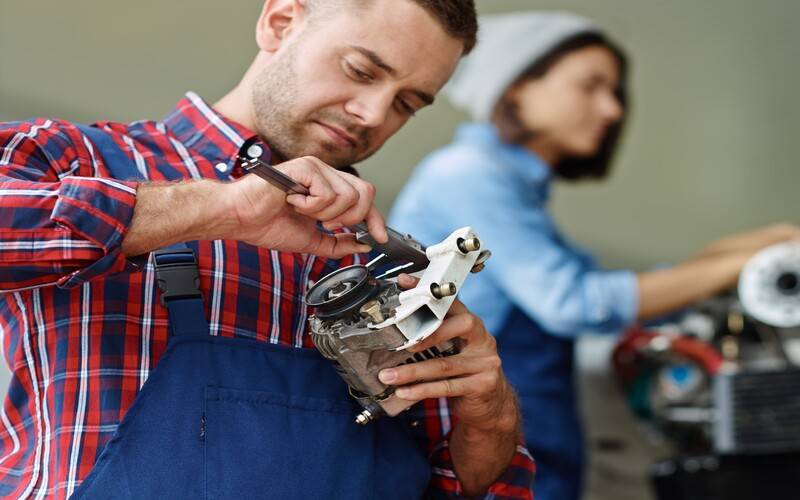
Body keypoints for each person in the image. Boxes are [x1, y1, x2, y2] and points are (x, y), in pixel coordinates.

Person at [0, 1, 536, 498]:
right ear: (279, 22)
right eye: (361, 71)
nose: (374, 114)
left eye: (406, 103)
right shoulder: (82, 159)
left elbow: (472, 485)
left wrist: (491, 420)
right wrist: (224, 208)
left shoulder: (390, 266)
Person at [389, 11, 800, 500]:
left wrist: (766, 242)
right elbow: (577, 303)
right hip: (491, 437)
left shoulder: (509, 187)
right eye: (591, 86)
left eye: (615, 93)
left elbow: (621, 291)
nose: (611, 109)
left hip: (535, 439)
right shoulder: (467, 174)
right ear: (517, 86)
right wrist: (735, 263)